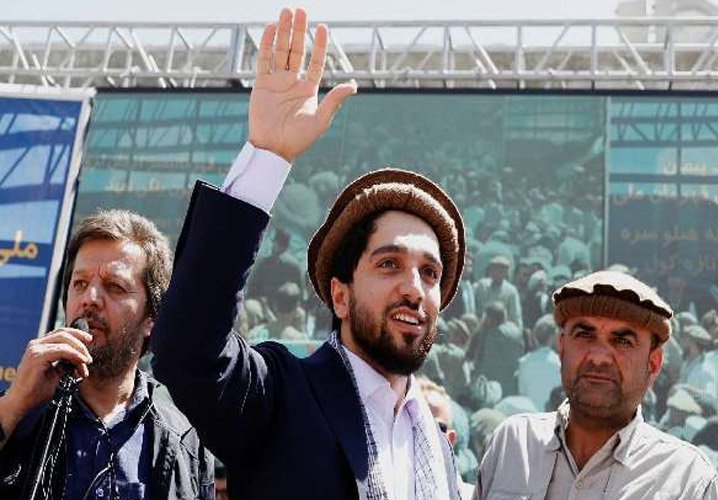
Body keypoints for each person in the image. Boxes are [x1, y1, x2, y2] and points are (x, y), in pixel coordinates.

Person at [149, 7, 463, 499]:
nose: (413, 288)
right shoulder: (280, 396)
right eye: (389, 264)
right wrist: (269, 155)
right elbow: (188, 350)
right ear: (340, 295)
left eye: (430, 273)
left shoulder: (437, 446)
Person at [0, 210, 214, 499]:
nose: (90, 299)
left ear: (152, 317)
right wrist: (13, 405)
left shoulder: (185, 438)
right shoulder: (21, 413)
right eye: (80, 283)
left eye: (114, 287)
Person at [474, 270, 718, 499]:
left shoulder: (687, 481)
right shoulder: (514, 444)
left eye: (623, 341)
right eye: (584, 335)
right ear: (562, 348)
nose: (598, 357)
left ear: (653, 364)